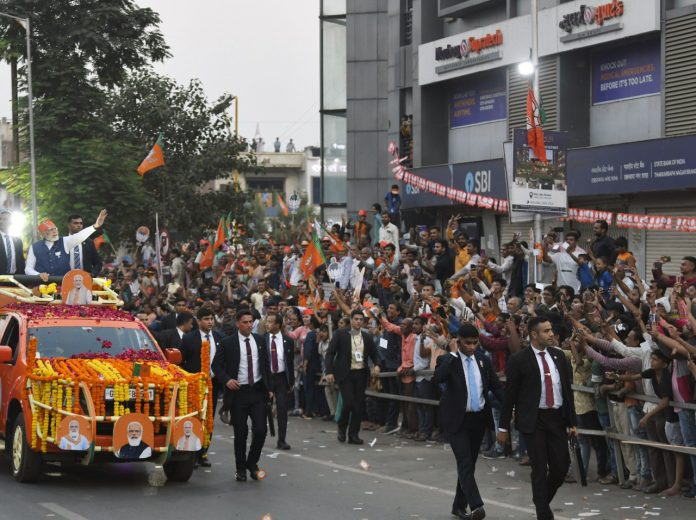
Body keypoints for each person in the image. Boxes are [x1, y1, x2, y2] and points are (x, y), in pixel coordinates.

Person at [498, 317, 576, 520]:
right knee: (539, 468)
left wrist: (572, 422)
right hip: (534, 421)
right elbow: (510, 396)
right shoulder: (519, 360)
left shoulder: (559, 356)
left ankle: (541, 500)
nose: (551, 334)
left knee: (561, 467)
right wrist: (503, 427)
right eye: (546, 331)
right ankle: (543, 513)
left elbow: (566, 391)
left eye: (551, 330)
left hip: (556, 418)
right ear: (534, 334)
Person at [433, 323, 503, 520]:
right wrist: (454, 354)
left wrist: (510, 408)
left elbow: (496, 387)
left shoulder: (483, 361)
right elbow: (438, 378)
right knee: (464, 462)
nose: (471, 347)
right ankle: (476, 505)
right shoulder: (447, 360)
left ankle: (458, 505)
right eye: (467, 343)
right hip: (456, 420)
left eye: (475, 343)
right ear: (458, 342)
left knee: (469, 465)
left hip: (478, 419)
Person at [212, 309, 271, 482]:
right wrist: (227, 380)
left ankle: (252, 463)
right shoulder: (227, 343)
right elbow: (216, 366)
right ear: (237, 323)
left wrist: (270, 387)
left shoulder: (260, 340)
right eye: (244, 322)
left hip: (257, 391)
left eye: (250, 321)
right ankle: (241, 469)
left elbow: (265, 365)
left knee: (260, 430)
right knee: (241, 432)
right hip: (238, 393)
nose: (248, 325)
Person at [325, 309, 381, 445]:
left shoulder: (367, 337)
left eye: (361, 319)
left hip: (361, 373)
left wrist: (377, 365)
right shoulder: (341, 334)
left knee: (358, 405)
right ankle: (342, 427)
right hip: (346, 374)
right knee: (349, 402)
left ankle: (354, 434)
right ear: (351, 320)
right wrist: (329, 371)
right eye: (356, 319)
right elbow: (330, 353)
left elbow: (374, 354)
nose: (358, 322)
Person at [179, 307, 224, 467]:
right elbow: (181, 362)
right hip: (194, 385)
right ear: (199, 321)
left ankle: (203, 453)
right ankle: (191, 455)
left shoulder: (220, 337)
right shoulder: (189, 338)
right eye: (206, 319)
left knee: (208, 419)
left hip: (212, 385)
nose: (210, 322)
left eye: (212, 319)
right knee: (194, 419)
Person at [26, 209, 108, 280]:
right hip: (42, 286)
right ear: (42, 234)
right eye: (50, 230)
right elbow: (28, 269)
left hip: (63, 286)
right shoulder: (34, 247)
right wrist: (38, 275)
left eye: (55, 229)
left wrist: (95, 226)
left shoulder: (65, 241)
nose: (54, 231)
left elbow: (80, 236)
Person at [265, 312, 295, 450]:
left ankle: (281, 439)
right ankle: (258, 434)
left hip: (282, 378)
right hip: (267, 378)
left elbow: (290, 362)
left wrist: (291, 382)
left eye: (271, 321)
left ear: (278, 325)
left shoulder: (287, 341)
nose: (267, 324)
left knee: (282, 409)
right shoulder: (262, 339)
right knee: (262, 408)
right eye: (267, 321)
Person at [0, 207, 25, 275]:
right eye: (0, 219)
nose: (1, 221)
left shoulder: (18, 241)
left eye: (5, 219)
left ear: (11, 222)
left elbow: (21, 262)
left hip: (14, 280)